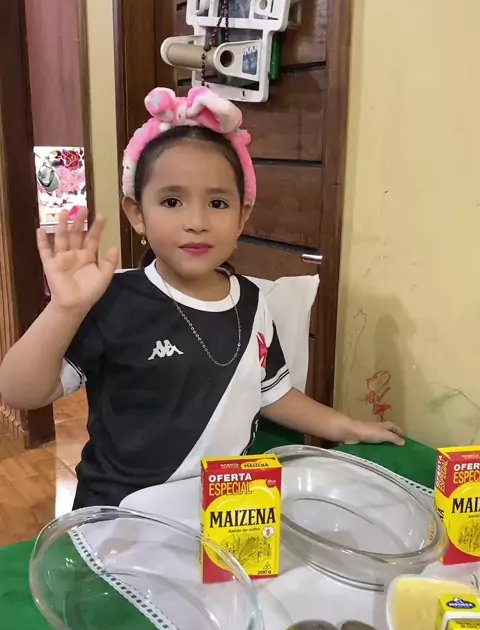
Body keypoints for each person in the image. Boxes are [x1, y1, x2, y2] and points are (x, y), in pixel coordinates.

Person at [0, 87, 404, 509]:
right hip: (122, 518)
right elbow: (20, 392)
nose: (196, 221)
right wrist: (65, 308)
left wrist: (348, 427)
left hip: (223, 513)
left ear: (242, 215)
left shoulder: (253, 301)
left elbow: (273, 393)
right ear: (137, 214)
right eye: (172, 201)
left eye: (217, 202)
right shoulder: (113, 299)